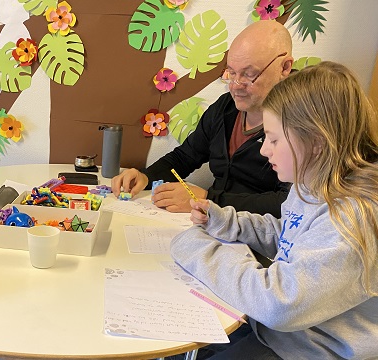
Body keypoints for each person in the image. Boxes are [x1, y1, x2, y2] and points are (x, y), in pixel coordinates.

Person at [170, 61, 378, 359]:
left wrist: (195, 249)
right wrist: (228, 222)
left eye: (274, 139)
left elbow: (280, 303)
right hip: (279, 332)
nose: (265, 149)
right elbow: (290, 234)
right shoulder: (311, 182)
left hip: (312, 349)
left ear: (316, 141)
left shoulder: (354, 215)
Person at [112, 20, 293, 217]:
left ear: (284, 67)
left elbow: (288, 203)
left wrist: (209, 199)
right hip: (214, 224)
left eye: (249, 75)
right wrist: (145, 177)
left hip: (257, 237)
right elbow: (186, 156)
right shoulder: (226, 108)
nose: (235, 85)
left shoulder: (302, 122)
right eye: (231, 73)